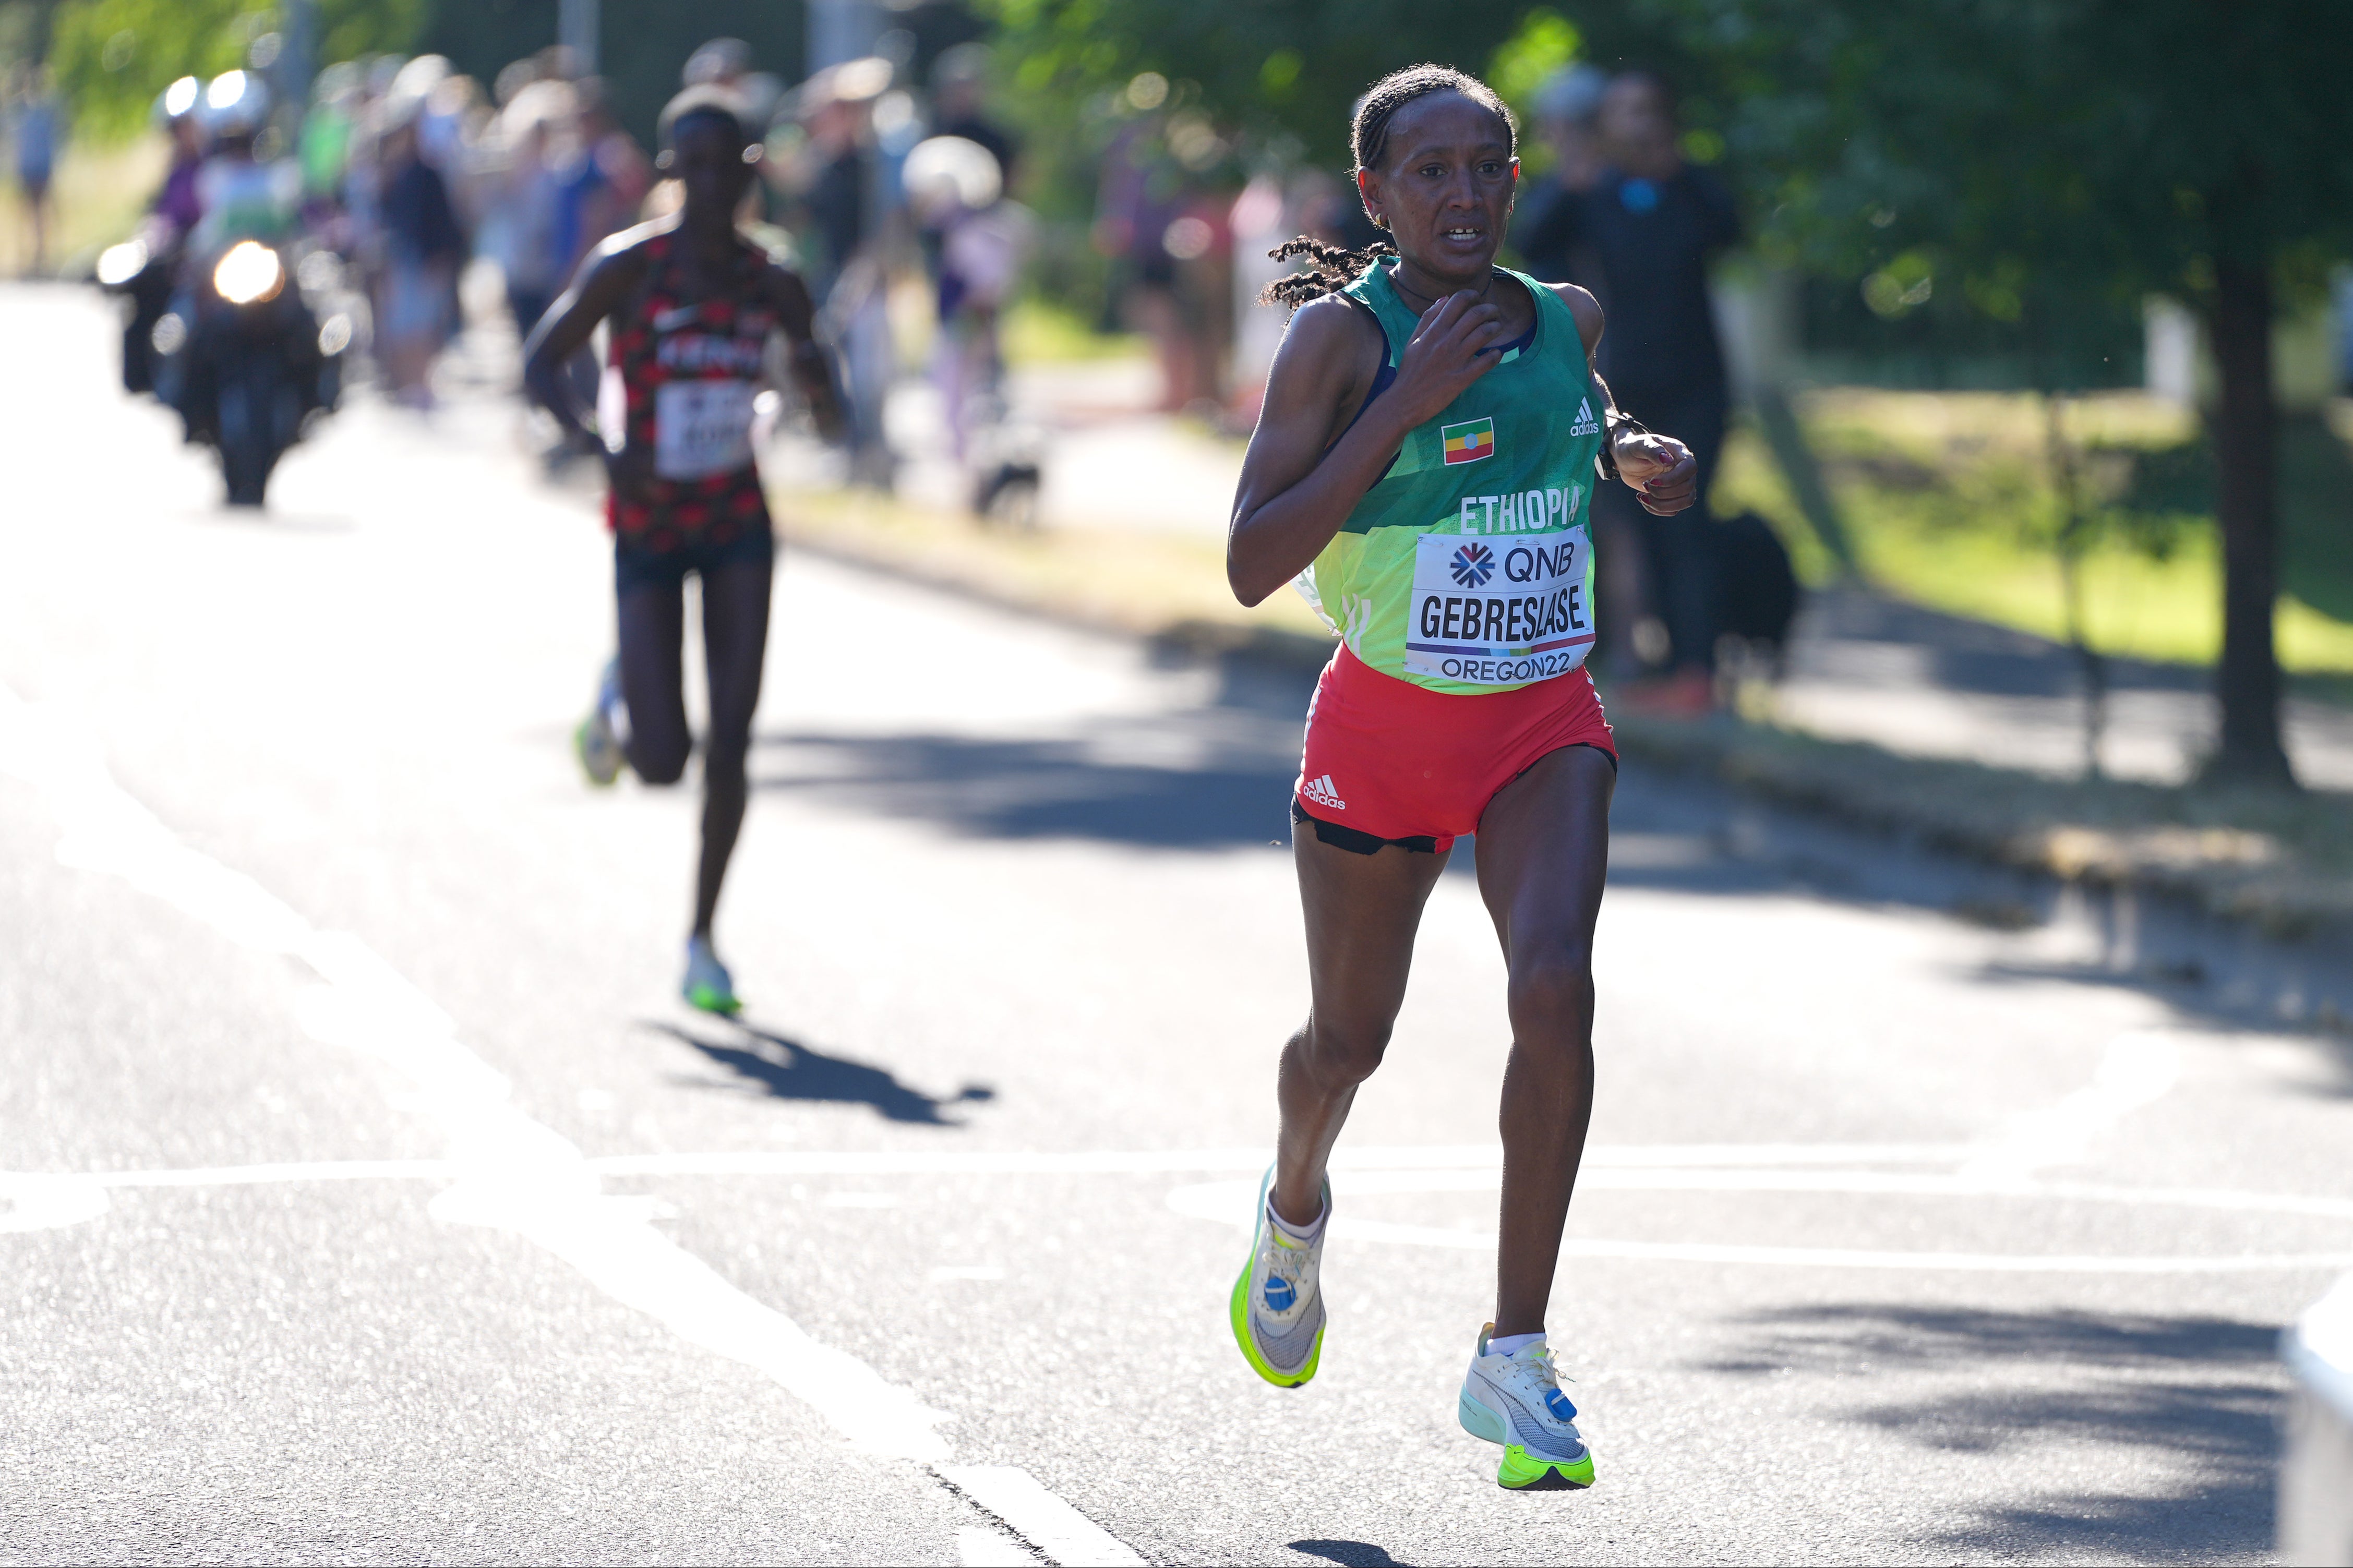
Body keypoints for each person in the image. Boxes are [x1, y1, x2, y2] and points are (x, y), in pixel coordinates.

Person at [1223, 65, 1699, 1492]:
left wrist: (1626, 454)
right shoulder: (1334, 342)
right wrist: (1405, 397)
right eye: (1428, 171)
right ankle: (1294, 1202)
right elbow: (1251, 561)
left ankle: (1513, 1349)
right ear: (1373, 196)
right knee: (1345, 1044)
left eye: (1485, 166)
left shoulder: (1565, 316)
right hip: (1381, 732)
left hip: (1538, 720)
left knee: (1552, 982)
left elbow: (1572, 414)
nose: (1463, 194)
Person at [523, 87, 842, 1015]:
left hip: (737, 520)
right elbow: (542, 363)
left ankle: (703, 940)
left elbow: (828, 407)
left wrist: (820, 386)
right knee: (664, 760)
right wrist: (596, 448)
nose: (707, 183)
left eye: (725, 165)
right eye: (689, 165)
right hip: (650, 522)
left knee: (733, 743)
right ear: (668, 175)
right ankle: (624, 687)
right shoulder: (631, 267)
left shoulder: (771, 279)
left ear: (748, 175)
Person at [1514, 70, 1739, 708]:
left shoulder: (1687, 189)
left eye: (1646, 111)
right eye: (1622, 113)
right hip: (1625, 388)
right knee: (1636, 528)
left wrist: (1681, 170)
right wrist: (1572, 177)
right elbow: (1534, 242)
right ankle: (1657, 665)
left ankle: (1696, 670)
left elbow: (1731, 230)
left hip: (1697, 382)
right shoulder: (1592, 192)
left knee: (1688, 519)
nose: (1635, 124)